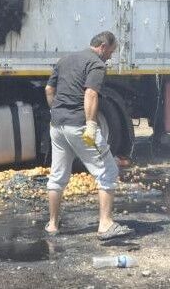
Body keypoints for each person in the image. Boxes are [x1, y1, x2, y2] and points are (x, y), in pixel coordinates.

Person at [44, 30, 132, 240]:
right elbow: (91, 93)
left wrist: (56, 111)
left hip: (57, 126)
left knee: (57, 177)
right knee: (108, 171)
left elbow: (49, 89)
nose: (110, 57)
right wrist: (92, 124)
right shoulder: (96, 64)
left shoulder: (65, 60)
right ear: (103, 47)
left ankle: (52, 225)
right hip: (78, 125)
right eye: (111, 52)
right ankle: (105, 225)